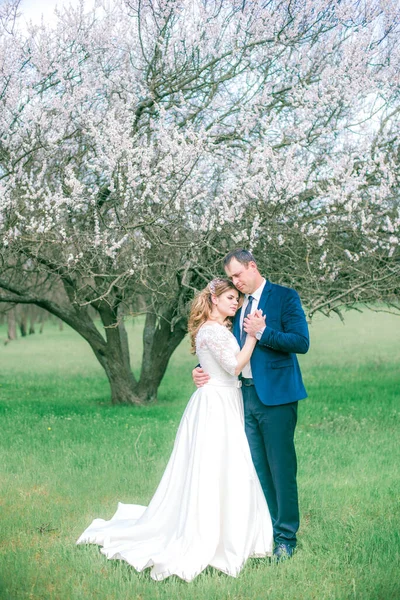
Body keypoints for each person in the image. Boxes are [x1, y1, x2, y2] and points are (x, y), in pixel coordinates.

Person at [77, 278, 273, 582]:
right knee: (215, 467)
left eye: (237, 298)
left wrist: (204, 367)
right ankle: (211, 534)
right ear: (215, 300)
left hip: (224, 399)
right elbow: (233, 366)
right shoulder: (211, 330)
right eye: (231, 297)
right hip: (216, 405)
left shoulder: (219, 329)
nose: (236, 302)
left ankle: (233, 529)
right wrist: (252, 337)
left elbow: (216, 366)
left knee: (230, 466)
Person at [193, 249, 310, 560]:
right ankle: (266, 529)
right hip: (240, 397)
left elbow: (301, 342)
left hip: (277, 398)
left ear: (252, 266)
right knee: (255, 469)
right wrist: (199, 369)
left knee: (280, 467)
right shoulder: (237, 305)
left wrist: (263, 332)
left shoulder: (284, 297)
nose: (235, 282)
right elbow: (219, 345)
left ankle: (286, 538)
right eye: (231, 278)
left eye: (237, 274)